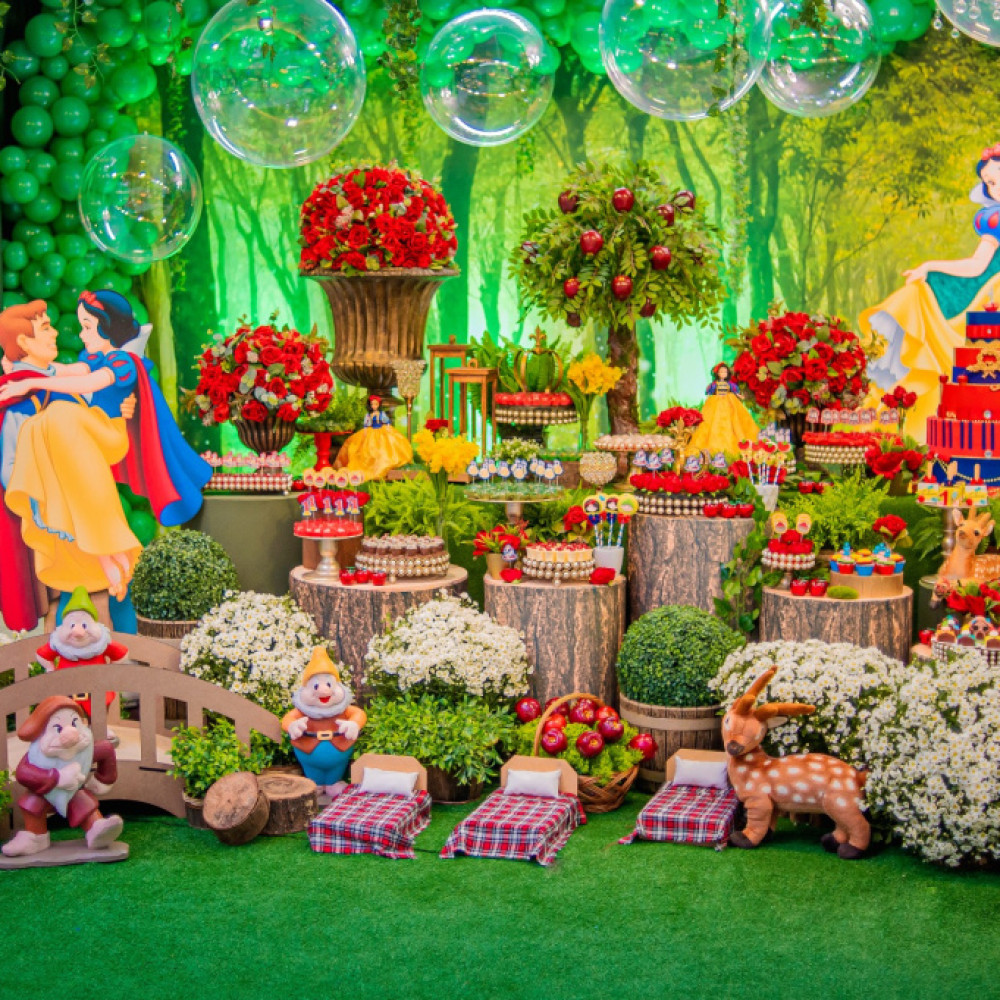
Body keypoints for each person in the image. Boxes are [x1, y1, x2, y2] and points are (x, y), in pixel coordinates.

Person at [0, 291, 211, 597]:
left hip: (109, 433)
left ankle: (108, 550)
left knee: (55, 416)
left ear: (107, 327)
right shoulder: (93, 359)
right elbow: (65, 371)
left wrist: (32, 381)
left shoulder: (122, 362)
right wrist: (19, 368)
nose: (79, 334)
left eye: (87, 326)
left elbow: (87, 383)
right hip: (88, 435)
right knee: (54, 434)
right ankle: (109, 559)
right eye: (82, 327)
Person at [860, 144, 1000, 437]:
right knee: (911, 298)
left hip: (984, 294)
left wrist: (929, 266)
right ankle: (886, 403)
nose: (995, 188)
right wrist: (930, 267)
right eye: (990, 183)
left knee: (913, 299)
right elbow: (977, 265)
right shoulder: (994, 219)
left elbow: (977, 269)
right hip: (977, 289)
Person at [687, 362, 760, 458]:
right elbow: (709, 392)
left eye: (725, 372)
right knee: (711, 422)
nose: (723, 374)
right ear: (717, 373)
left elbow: (735, 391)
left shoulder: (729, 384)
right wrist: (709, 400)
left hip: (729, 403)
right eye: (721, 372)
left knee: (734, 421)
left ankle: (737, 445)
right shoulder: (715, 384)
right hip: (716, 403)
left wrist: (740, 396)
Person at [334, 393, 413, 480]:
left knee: (386, 447)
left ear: (379, 405)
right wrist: (366, 429)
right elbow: (366, 424)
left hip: (381, 430)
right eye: (372, 404)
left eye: (376, 404)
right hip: (370, 431)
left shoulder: (381, 413)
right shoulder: (369, 415)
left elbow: (387, 421)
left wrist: (387, 427)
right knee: (366, 448)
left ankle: (384, 467)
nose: (374, 406)